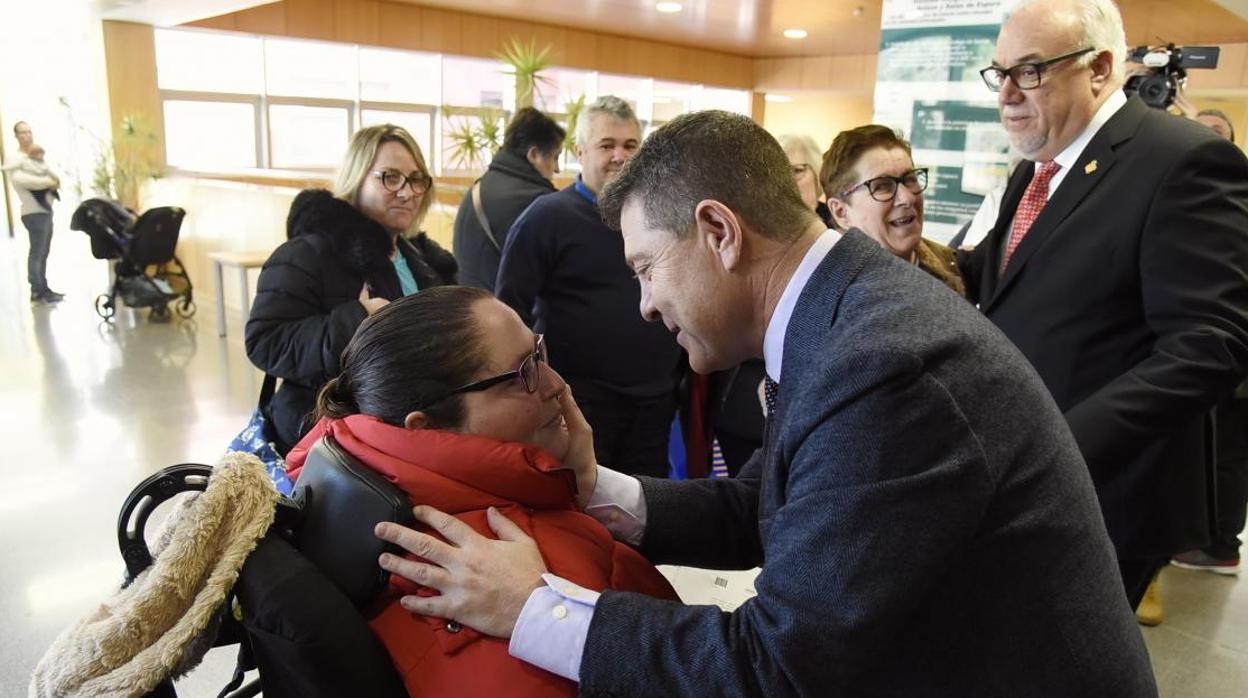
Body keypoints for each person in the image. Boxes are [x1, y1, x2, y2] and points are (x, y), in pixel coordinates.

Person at [374, 110, 1156, 695]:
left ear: (718, 230)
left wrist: (533, 608)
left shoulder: (882, 363)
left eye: (646, 267)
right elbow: (790, 503)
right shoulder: (845, 308)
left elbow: (777, 665)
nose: (645, 304)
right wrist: (596, 489)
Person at [958, 0, 1248, 612]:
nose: (1006, 93)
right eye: (999, 72)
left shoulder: (1183, 161)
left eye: (1030, 71)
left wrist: (1059, 443)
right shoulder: (1037, 167)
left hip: (1109, 495)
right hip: (1028, 480)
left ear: (1099, 68)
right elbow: (996, 275)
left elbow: (1209, 346)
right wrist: (884, 254)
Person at [285, 287, 677, 697]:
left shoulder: (379, 492)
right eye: (523, 373)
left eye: (538, 354)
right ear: (426, 429)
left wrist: (576, 490)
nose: (556, 385)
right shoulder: (479, 579)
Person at [496, 96, 682, 478]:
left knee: (652, 504)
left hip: (655, 399)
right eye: (607, 145)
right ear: (579, 151)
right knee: (586, 501)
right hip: (582, 402)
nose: (620, 155)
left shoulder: (659, 217)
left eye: (630, 145)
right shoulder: (546, 217)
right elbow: (508, 308)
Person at [245, 124, 457, 454]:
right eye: (390, 176)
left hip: (406, 430)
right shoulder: (308, 254)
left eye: (416, 179)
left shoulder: (420, 257)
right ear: (356, 178)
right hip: (328, 439)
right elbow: (266, 342)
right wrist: (357, 320)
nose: (407, 191)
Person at [1171, 108, 1248, 576]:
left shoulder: (1231, 195)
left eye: (1215, 132)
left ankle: (1222, 544)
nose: (1202, 137)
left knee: (1232, 452)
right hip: (1215, 353)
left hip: (1235, 355)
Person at [821, 124, 965, 296]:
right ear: (841, 212)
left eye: (910, 179)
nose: (908, 198)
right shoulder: (827, 295)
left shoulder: (953, 266)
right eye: (882, 186)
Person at [452, 107, 564, 291]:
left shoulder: (478, 188)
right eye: (555, 157)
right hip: (507, 315)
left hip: (471, 309)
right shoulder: (539, 202)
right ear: (534, 154)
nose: (557, 169)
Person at [4, 122, 64, 303]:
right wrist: (47, 183)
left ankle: (43, 287)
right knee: (37, 252)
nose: (27, 136)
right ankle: (37, 290)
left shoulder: (36, 157)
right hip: (32, 212)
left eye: (29, 132)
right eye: (22, 132)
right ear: (16, 135)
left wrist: (52, 182)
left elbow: (51, 176)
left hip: (46, 210)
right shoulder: (14, 159)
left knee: (44, 251)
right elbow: (21, 181)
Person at [777, 133, 832, 226]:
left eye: (797, 170)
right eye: (779, 172)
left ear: (817, 171)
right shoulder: (759, 227)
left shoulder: (839, 222)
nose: (787, 181)